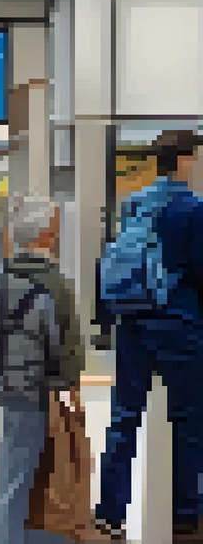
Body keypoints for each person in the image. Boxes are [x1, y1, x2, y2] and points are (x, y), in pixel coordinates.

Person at [95, 130, 203, 542]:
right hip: (179, 325)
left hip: (132, 323)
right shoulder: (192, 209)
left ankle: (110, 512)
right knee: (189, 421)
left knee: (125, 416)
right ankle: (186, 512)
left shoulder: (134, 204)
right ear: (184, 161)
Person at [0, 195, 83, 544]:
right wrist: (72, 386)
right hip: (35, 388)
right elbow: (66, 340)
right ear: (45, 234)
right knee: (20, 475)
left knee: (19, 463)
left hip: (2, 380)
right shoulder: (53, 281)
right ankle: (9, 537)